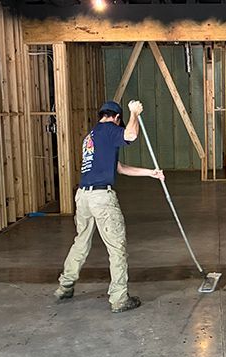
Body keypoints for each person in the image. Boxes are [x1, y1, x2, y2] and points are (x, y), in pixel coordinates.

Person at [54, 100, 164, 313]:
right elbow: (130, 135)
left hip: (83, 197)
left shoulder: (92, 136)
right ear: (116, 118)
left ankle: (65, 285)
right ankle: (119, 298)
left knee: (81, 242)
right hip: (101, 198)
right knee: (117, 248)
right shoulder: (109, 130)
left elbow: (119, 168)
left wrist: (151, 173)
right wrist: (135, 113)